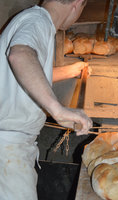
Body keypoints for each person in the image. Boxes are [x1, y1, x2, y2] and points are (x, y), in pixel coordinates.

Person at [0, 0, 92, 199]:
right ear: (77, 4)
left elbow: (29, 71)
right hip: (8, 149)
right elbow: (20, 56)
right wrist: (57, 109)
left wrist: (69, 71)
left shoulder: (33, 18)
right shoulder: (38, 20)